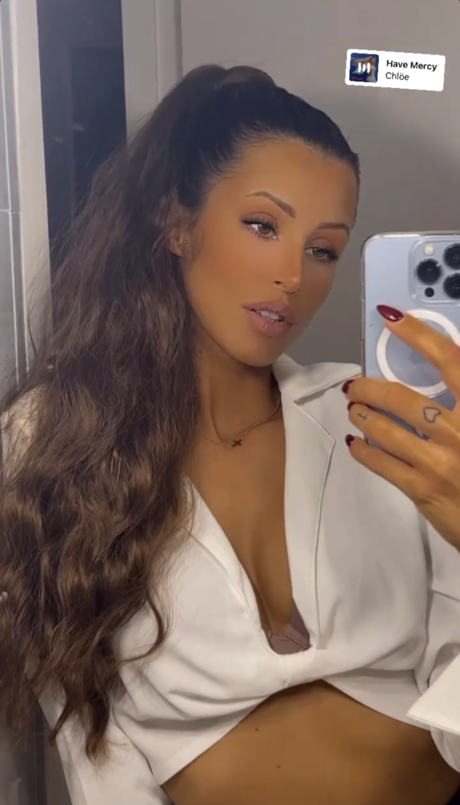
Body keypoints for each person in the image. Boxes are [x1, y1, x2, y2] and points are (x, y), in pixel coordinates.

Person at [1, 63, 460, 805]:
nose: (294, 276)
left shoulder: (374, 416)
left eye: (324, 249)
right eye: (263, 225)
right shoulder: (55, 438)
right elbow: (90, 735)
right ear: (176, 223)